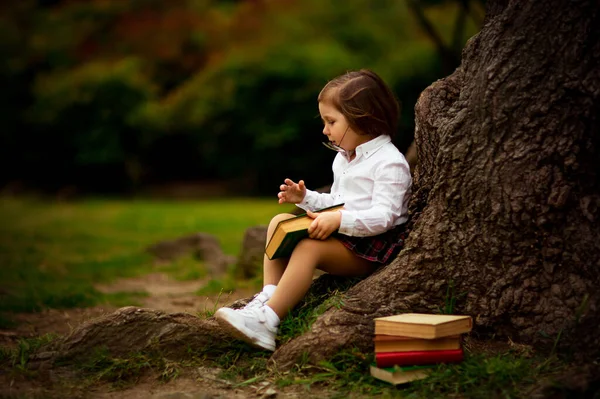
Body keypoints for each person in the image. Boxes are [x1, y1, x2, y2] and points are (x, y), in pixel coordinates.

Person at [215, 69, 412, 351]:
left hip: (371, 248)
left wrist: (338, 220)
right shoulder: (344, 159)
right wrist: (305, 197)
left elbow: (385, 216)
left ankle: (268, 322)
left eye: (331, 121)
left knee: (308, 248)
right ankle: (268, 297)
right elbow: (336, 201)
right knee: (279, 223)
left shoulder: (390, 163)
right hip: (345, 236)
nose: (325, 130)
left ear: (363, 118)